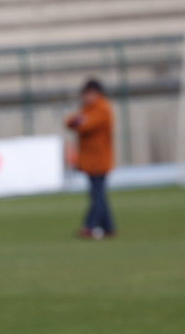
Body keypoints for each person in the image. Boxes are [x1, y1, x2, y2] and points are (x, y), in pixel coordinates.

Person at [66, 78, 116, 239]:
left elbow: (85, 125)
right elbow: (70, 121)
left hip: (99, 159)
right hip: (89, 159)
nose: (85, 97)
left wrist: (78, 121)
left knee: (97, 195)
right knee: (98, 193)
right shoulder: (88, 109)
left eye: (88, 94)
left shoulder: (102, 108)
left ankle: (90, 225)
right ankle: (108, 227)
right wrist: (78, 121)